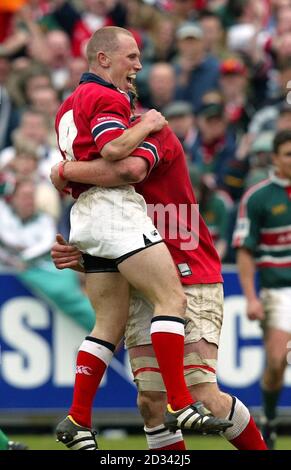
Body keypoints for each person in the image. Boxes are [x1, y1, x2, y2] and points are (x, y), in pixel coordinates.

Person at [53, 26, 230, 450]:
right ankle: (181, 403)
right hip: (117, 215)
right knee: (172, 301)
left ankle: (77, 420)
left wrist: (63, 172)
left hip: (89, 221)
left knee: (106, 325)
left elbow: (85, 158)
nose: (138, 66)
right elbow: (121, 159)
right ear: (102, 59)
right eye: (131, 57)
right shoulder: (112, 101)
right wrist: (148, 121)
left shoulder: (66, 107)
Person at [51, 120, 267, 451]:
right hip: (141, 285)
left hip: (190, 274)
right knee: (150, 402)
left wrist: (64, 170)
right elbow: (117, 244)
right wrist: (83, 256)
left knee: (202, 393)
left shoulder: (149, 132)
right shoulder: (96, 162)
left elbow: (131, 171)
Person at [233, 129, 291, 450]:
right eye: (288, 154)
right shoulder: (258, 197)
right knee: (276, 361)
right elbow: (244, 250)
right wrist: (251, 297)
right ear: (276, 158)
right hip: (278, 290)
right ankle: (269, 417)